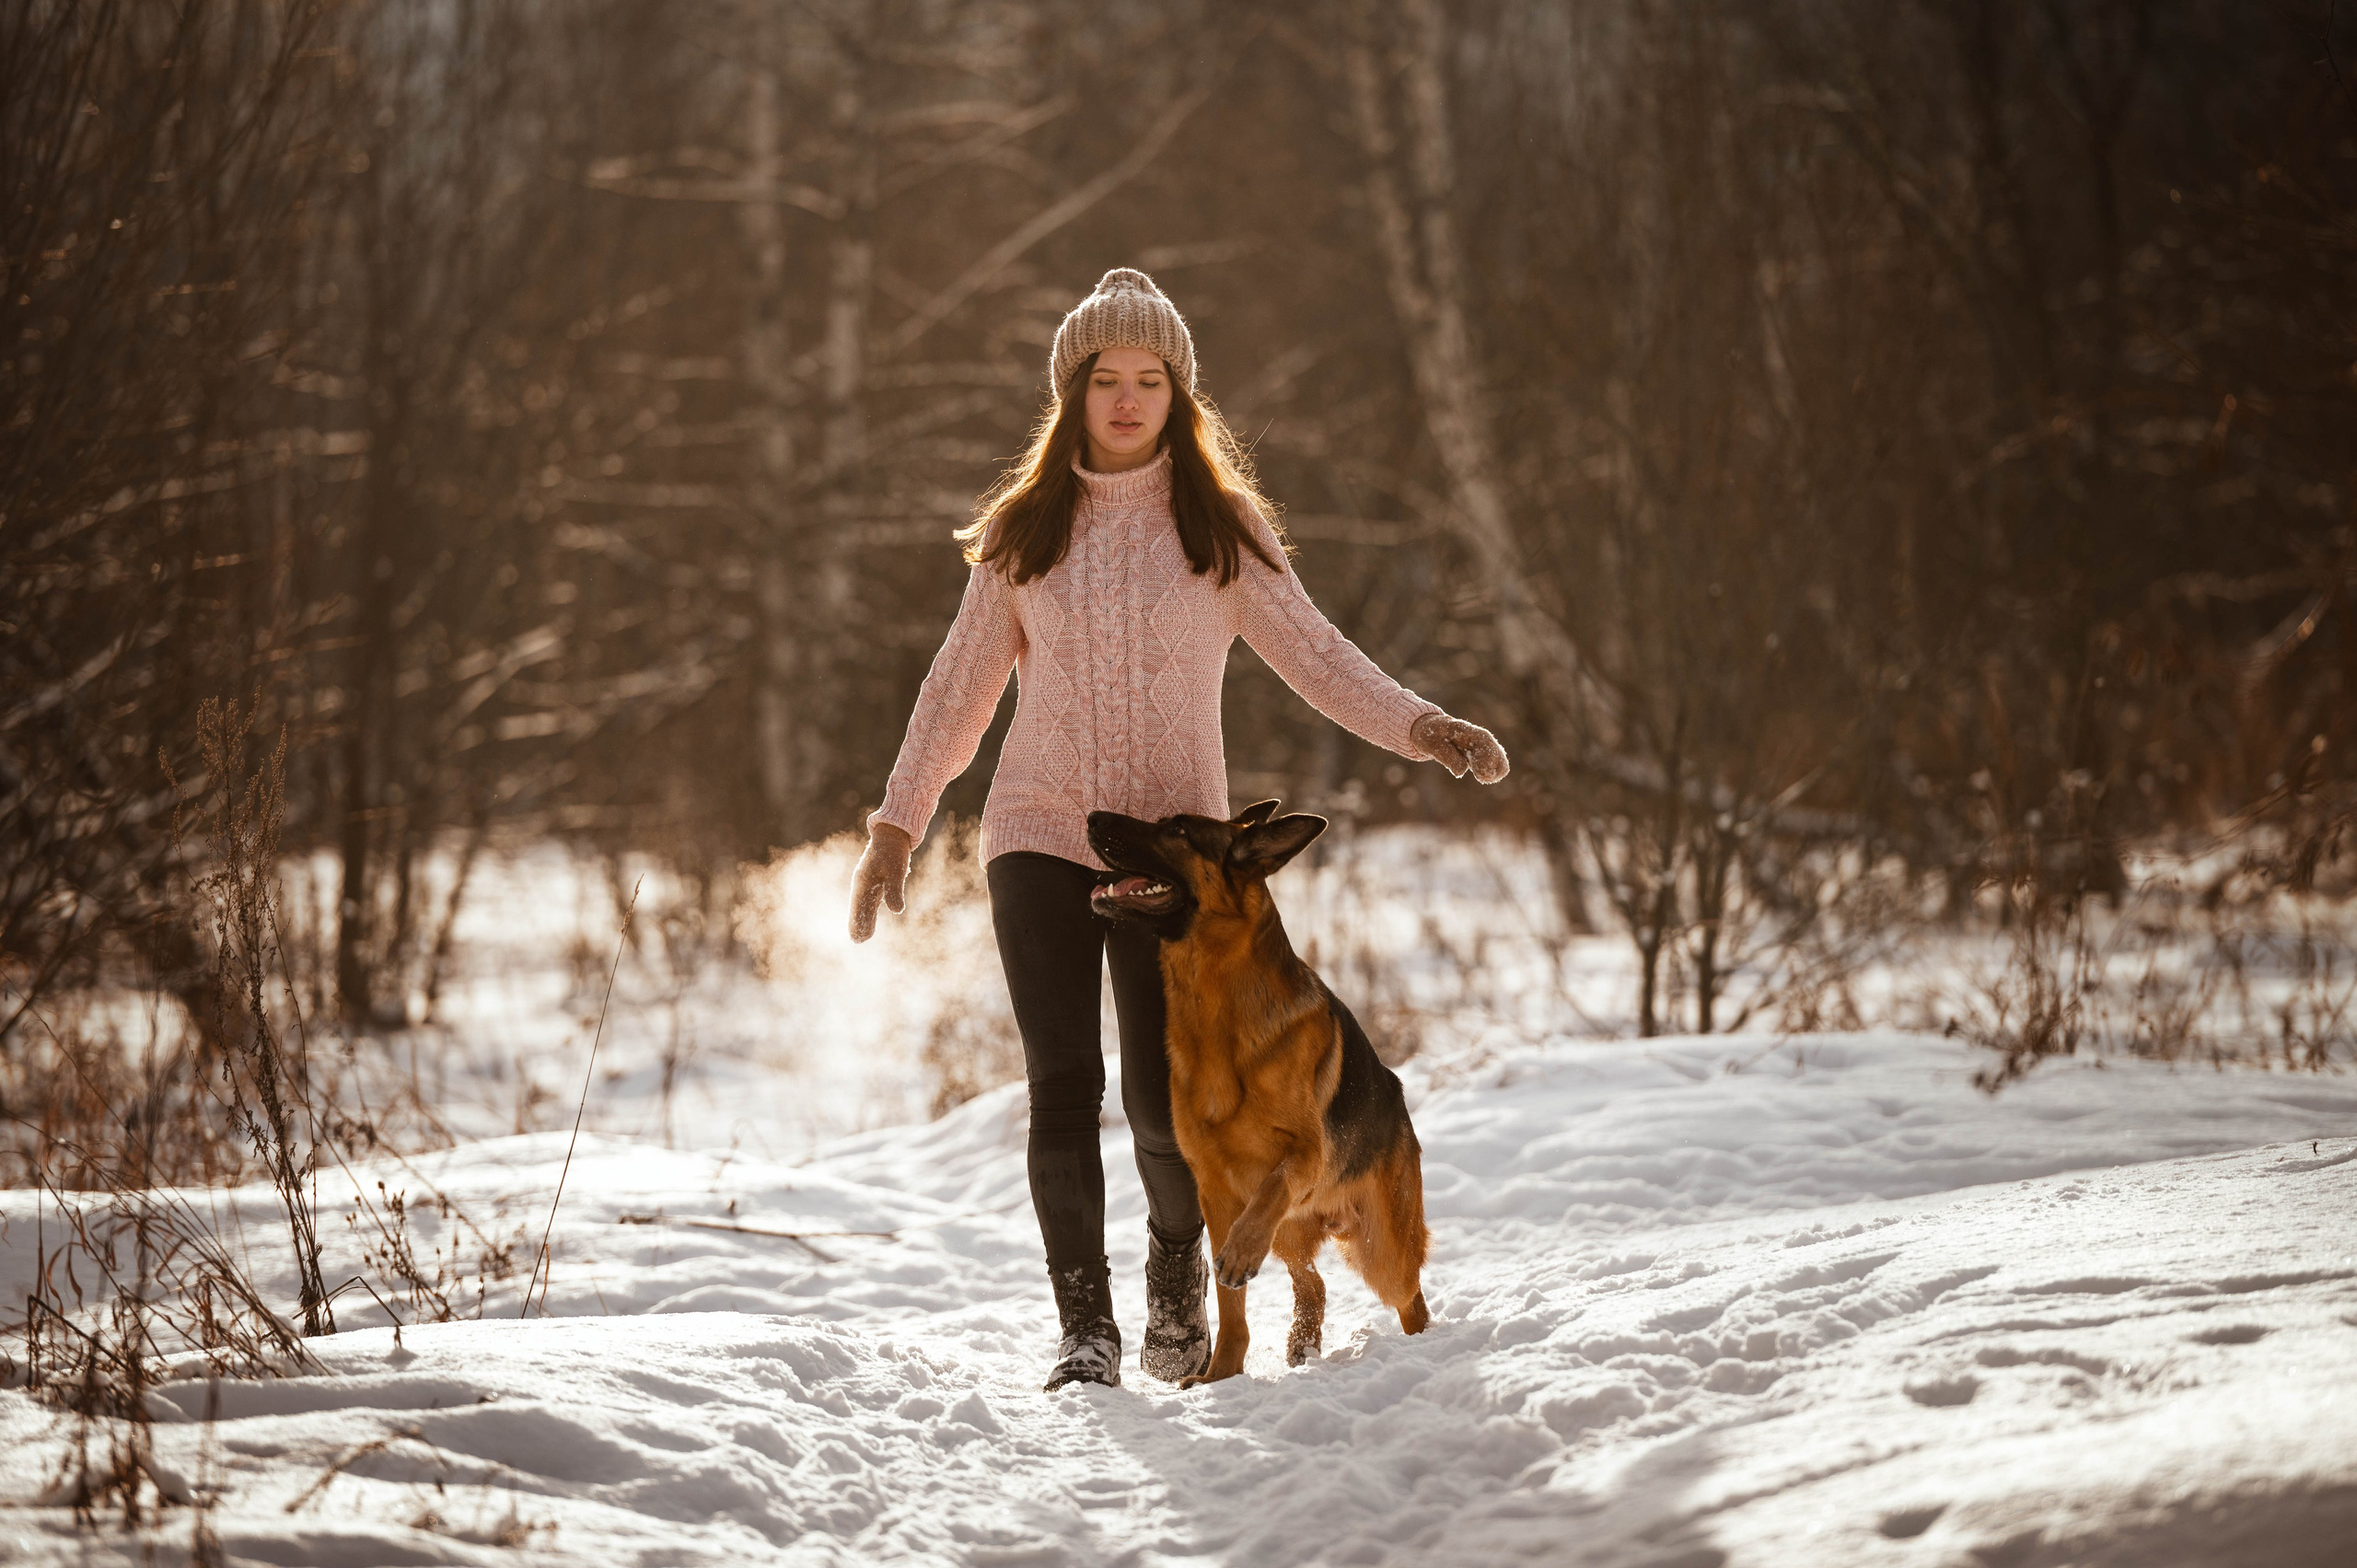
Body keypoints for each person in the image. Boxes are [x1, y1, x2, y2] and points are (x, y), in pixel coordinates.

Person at [847, 269, 1509, 1391]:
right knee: (1063, 1083)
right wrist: (896, 823)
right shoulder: (1023, 531)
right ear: (1072, 393)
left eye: (1148, 378)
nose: (1126, 398)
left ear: (1177, 392)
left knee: (1169, 1106)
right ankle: (1083, 1333)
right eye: (1104, 378)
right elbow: (955, 688)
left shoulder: (1220, 526)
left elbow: (1317, 654)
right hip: (1039, 831)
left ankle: (1172, 1273)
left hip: (1173, 864)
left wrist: (1421, 725)